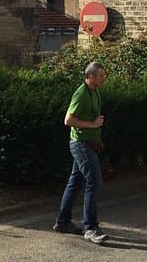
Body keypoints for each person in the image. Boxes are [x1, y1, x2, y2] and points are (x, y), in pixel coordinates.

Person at [53, 61, 109, 244]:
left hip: (88, 143)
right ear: (91, 76)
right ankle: (90, 228)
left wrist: (96, 127)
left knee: (75, 181)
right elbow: (68, 120)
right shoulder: (81, 94)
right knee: (94, 181)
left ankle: (63, 222)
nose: (104, 78)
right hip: (80, 144)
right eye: (101, 75)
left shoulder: (95, 91)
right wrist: (91, 125)